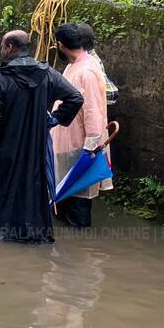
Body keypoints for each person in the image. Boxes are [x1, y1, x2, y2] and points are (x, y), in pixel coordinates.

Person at [0, 30, 84, 243]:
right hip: (35, 153)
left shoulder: (1, 81)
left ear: (10, 47)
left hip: (3, 155)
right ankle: (31, 242)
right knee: (33, 197)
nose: (2, 50)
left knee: (0, 206)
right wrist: (52, 120)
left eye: (3, 46)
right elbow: (75, 98)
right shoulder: (47, 74)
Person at [50, 23, 111, 228]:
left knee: (78, 206)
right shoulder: (72, 66)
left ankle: (80, 251)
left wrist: (89, 150)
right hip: (64, 144)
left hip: (80, 149)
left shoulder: (87, 71)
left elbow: (93, 113)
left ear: (60, 45)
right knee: (62, 200)